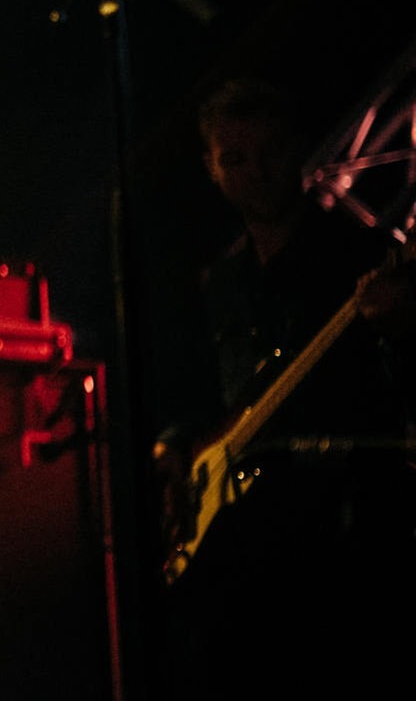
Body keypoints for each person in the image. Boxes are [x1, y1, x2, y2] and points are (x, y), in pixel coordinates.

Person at [150, 76, 416, 695]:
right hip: (242, 552)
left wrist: (400, 330)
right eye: (234, 159)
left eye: (269, 153)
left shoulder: (362, 255)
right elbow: (198, 399)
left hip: (344, 544)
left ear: (298, 149)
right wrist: (176, 451)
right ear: (212, 170)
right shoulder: (220, 282)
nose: (256, 173)